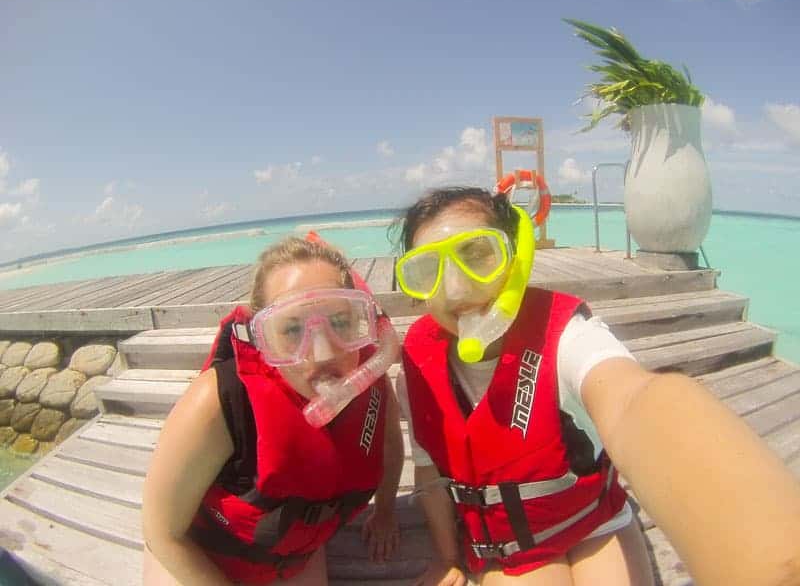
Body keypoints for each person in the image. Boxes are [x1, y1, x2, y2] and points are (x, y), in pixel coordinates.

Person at [392, 186, 800, 586]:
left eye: (478, 255)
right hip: (509, 548)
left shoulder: (567, 332)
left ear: (516, 259)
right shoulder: (418, 361)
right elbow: (428, 469)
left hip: (591, 524)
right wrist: (448, 558)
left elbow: (630, 401)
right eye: (427, 271)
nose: (456, 289)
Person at [142, 237, 405, 586]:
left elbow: (388, 448)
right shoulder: (219, 401)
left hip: (295, 557)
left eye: (340, 321)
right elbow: (162, 532)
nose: (323, 352)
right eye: (293, 328)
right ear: (262, 339)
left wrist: (385, 513)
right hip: (199, 558)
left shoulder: (368, 379)